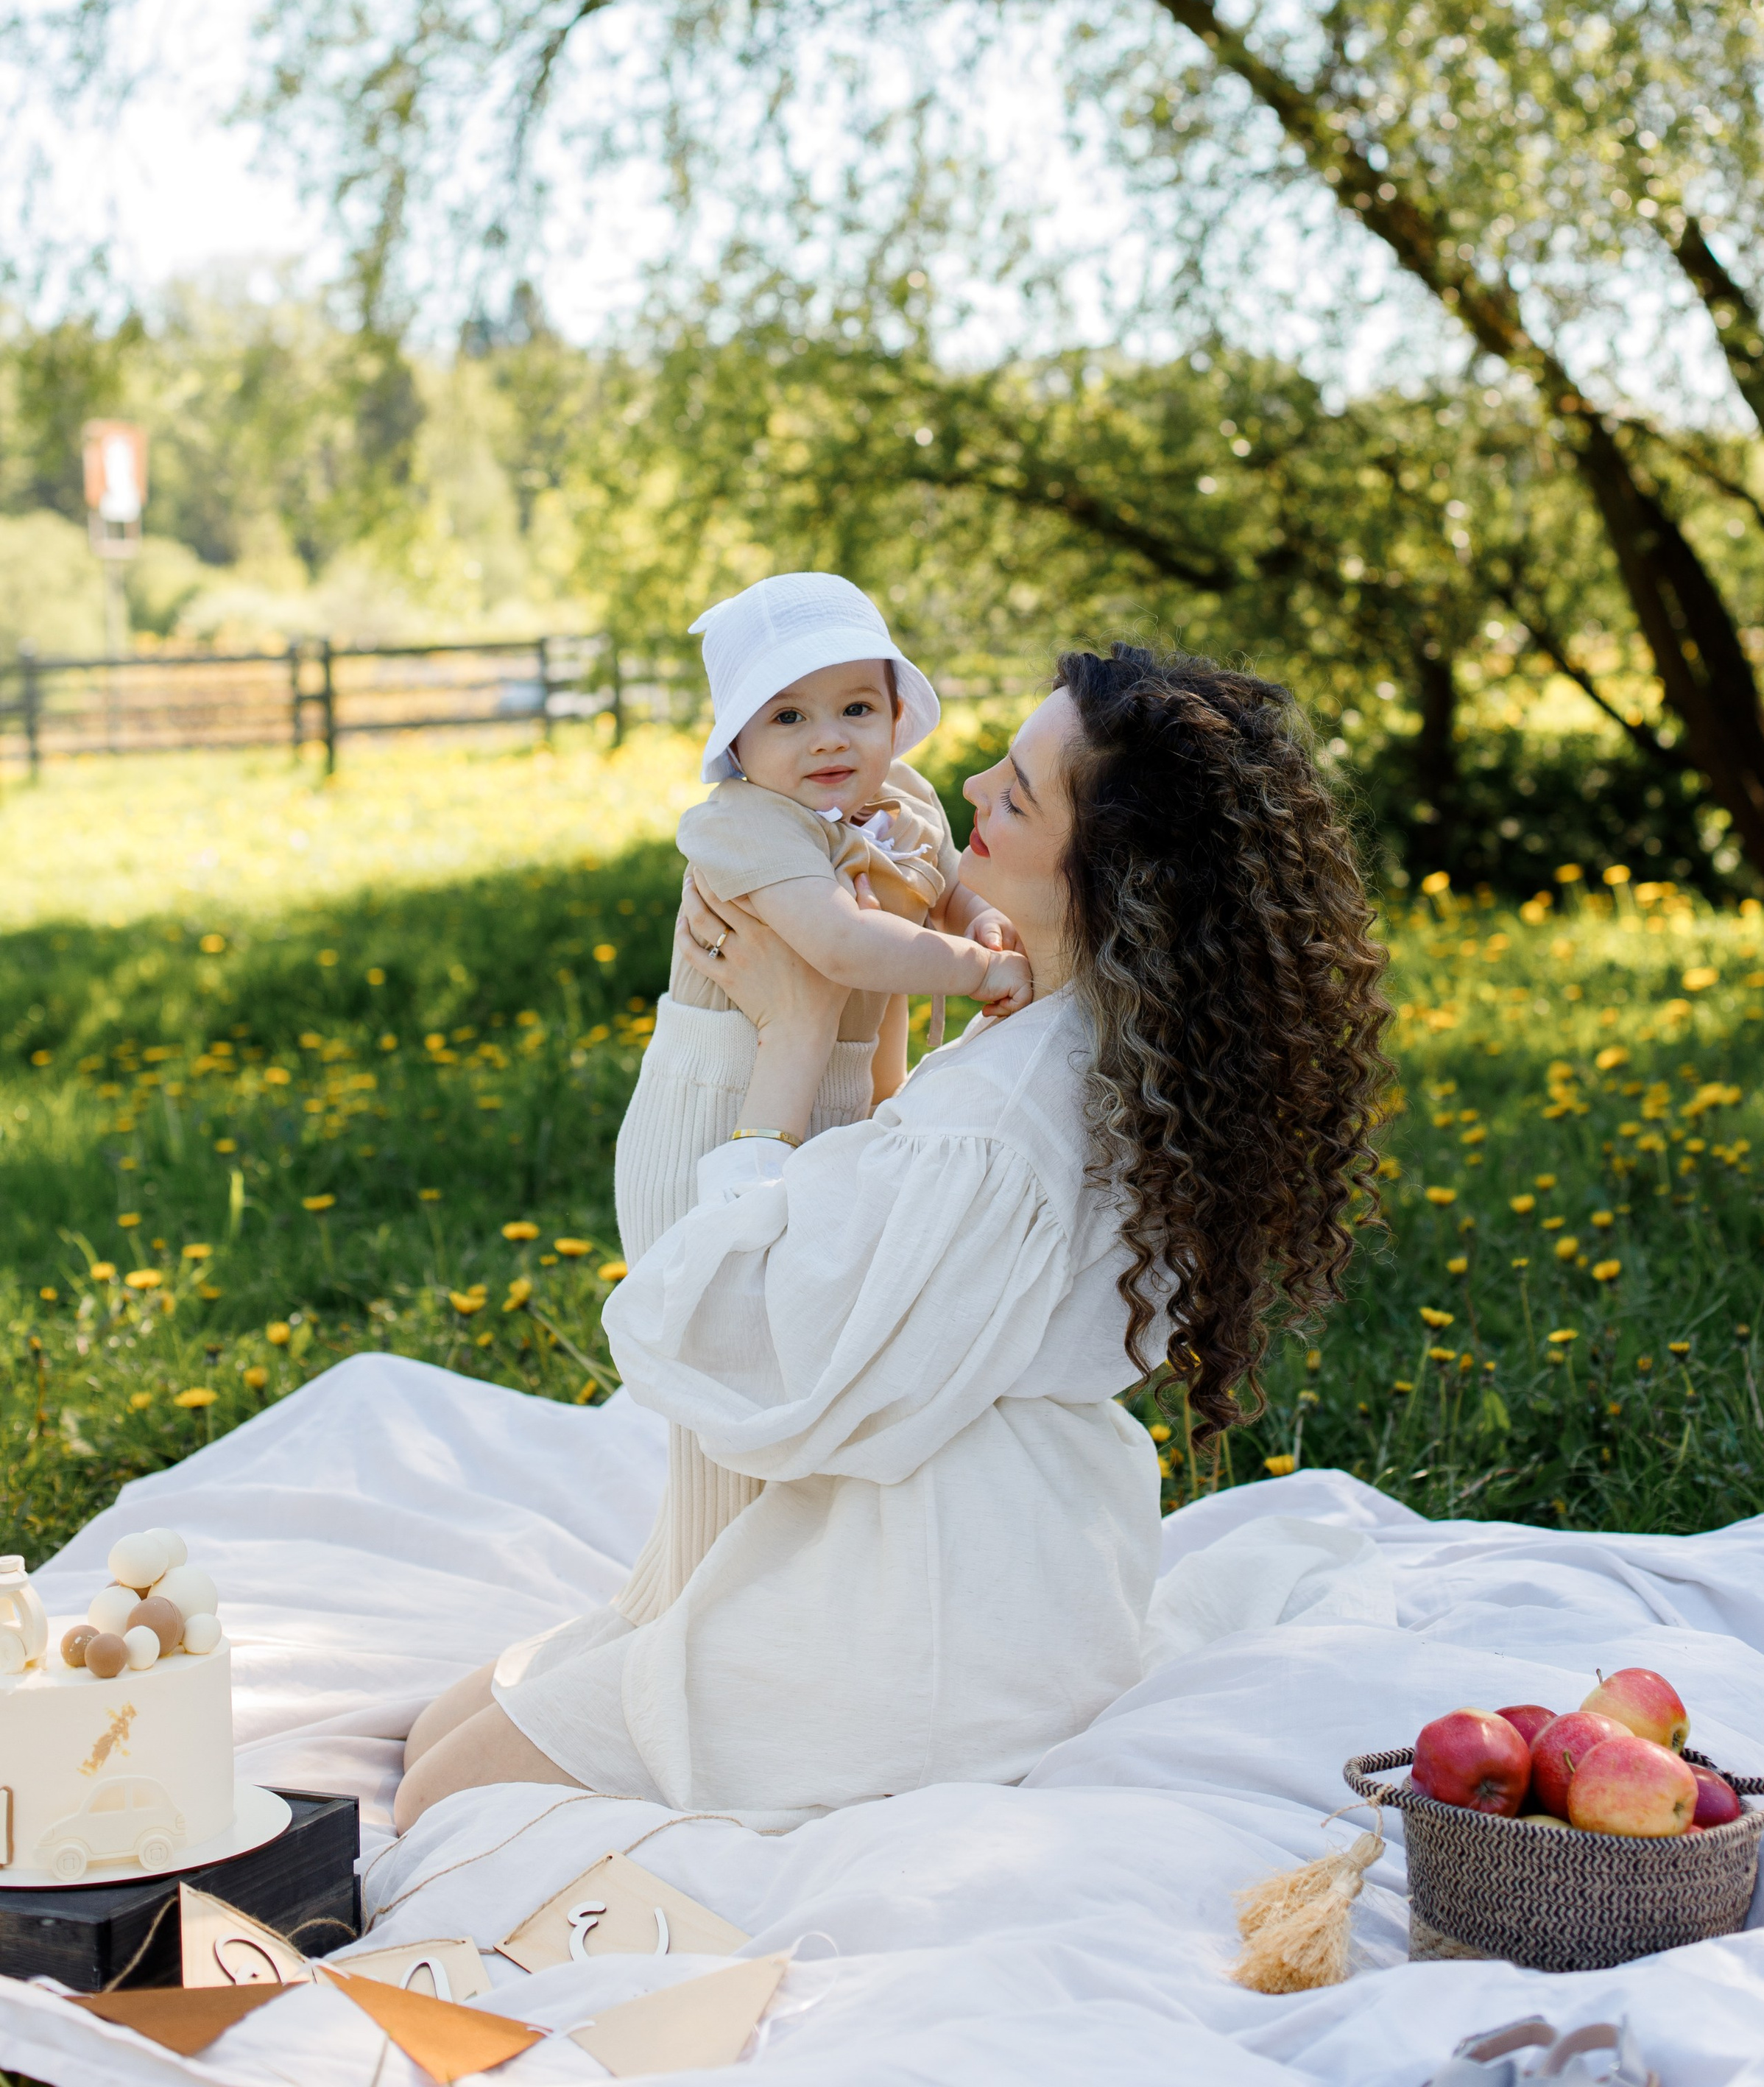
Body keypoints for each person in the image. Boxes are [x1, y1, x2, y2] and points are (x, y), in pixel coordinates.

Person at [395, 645, 1391, 1834]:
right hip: (1002, 1547)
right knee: (439, 1726)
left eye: (1017, 794)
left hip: (925, 1611)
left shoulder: (1006, 1118)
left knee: (433, 1798)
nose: (969, 786)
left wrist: (790, 1036)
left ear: (1109, 872)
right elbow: (895, 1229)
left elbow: (765, 1358)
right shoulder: (1109, 1034)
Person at [617, 571, 1029, 1630]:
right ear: (738, 746)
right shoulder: (745, 829)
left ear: (897, 713)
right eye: (786, 716)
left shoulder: (908, 805)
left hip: (833, 1102)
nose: (826, 739)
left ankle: (782, 1606)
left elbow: (940, 885)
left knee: (796, 1364)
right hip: (712, 1107)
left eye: (855, 707)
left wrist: (977, 918)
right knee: (723, 1374)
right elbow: (844, 944)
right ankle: (692, 1615)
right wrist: (978, 975)